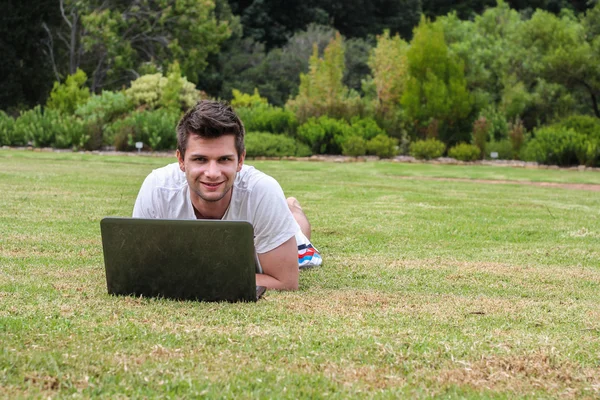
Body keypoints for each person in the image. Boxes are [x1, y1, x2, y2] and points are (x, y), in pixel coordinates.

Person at [132, 100, 322, 290]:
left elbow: (286, 282)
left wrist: (193, 278)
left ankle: (292, 209)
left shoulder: (263, 191)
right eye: (200, 159)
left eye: (224, 159)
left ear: (240, 160)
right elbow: (137, 269)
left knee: (298, 236)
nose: (212, 173)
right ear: (181, 160)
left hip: (271, 232)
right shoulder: (158, 188)